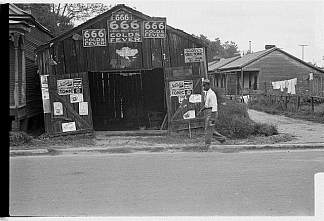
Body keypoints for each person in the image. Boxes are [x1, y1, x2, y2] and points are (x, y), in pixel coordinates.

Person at [198, 79, 226, 151]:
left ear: (208, 85)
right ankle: (222, 139)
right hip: (208, 112)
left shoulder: (212, 94)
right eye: (203, 86)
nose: (203, 87)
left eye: (204, 86)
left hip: (212, 113)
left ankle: (207, 145)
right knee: (210, 128)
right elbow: (206, 105)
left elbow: (214, 105)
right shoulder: (207, 93)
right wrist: (201, 110)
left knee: (208, 129)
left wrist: (213, 117)